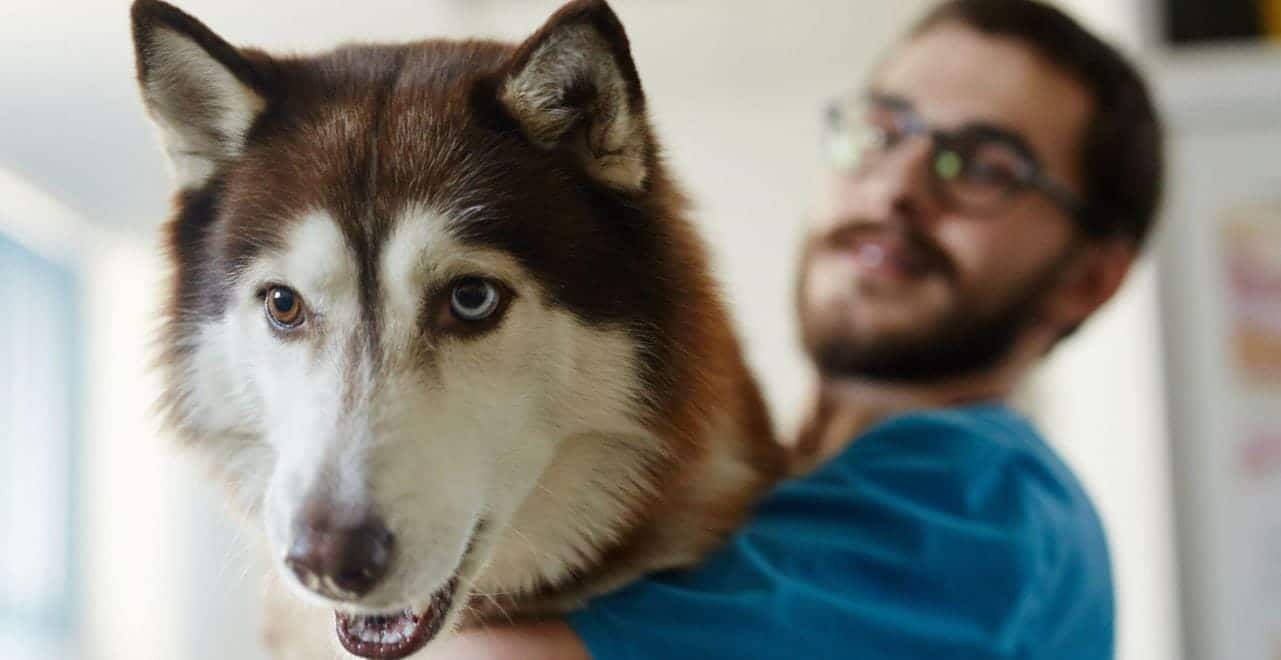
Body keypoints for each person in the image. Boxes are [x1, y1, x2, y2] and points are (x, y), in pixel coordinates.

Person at [431, 0, 1163, 657]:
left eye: (983, 166)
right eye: (881, 128)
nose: (897, 184)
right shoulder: (786, 497)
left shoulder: (988, 505)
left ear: (1086, 280)